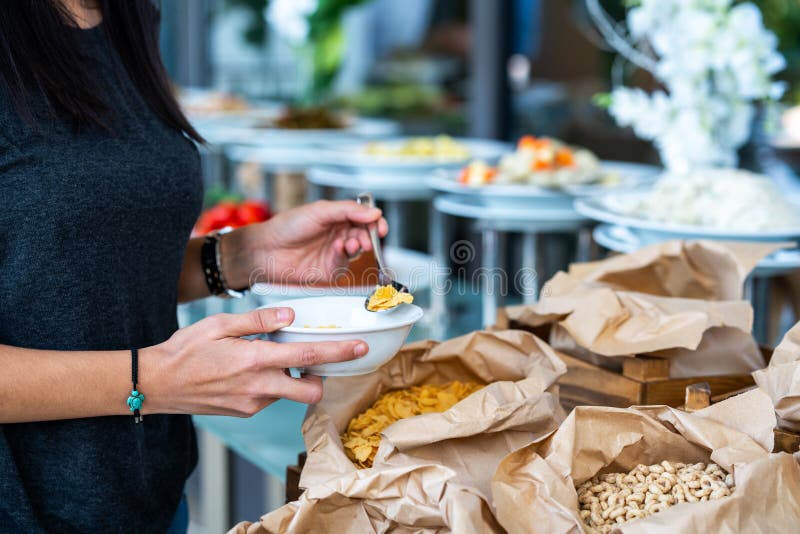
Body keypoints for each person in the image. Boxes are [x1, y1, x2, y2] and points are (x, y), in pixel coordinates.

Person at [0, 1, 387, 531]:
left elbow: (69, 270)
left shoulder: (125, 17)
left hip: (151, 498)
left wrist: (240, 256)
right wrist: (152, 380)